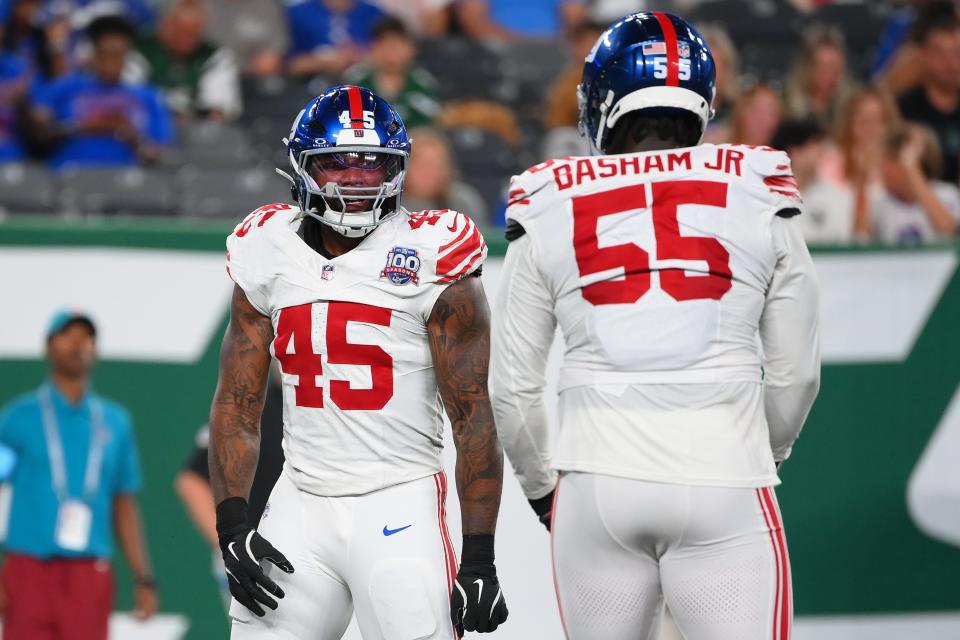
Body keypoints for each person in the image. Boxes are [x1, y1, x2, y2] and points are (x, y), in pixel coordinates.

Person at [490, 12, 820, 640]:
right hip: (722, 471)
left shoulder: (548, 196)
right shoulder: (754, 184)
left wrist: (542, 493)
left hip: (595, 483)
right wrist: (759, 449)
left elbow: (512, 389)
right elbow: (796, 374)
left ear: (604, 103)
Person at [209, 85, 509, 639]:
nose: (354, 180)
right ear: (303, 167)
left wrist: (480, 557)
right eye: (337, 164)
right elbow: (239, 400)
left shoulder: (431, 252)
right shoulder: (267, 245)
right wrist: (231, 521)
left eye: (372, 166)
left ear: (397, 170)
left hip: (400, 500)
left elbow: (472, 415)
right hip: (300, 502)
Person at [0, 310, 158, 640]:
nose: (77, 344)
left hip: (89, 574)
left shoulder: (115, 423)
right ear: (48, 345)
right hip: (27, 569)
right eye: (67, 334)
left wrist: (144, 577)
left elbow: (124, 505)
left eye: (86, 337)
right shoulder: (18, 419)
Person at [175, 372, 284, 608]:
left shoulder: (336, 409)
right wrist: (230, 541)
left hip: (322, 550)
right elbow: (192, 480)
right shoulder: (251, 405)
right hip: (258, 558)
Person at [28, 14, 173, 169]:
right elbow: (37, 131)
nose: (111, 62)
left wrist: (134, 137)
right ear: (94, 54)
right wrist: (86, 126)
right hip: (69, 175)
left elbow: (163, 153)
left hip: (127, 182)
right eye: (105, 54)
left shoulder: (148, 97)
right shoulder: (65, 87)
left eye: (117, 54)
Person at [126, 0, 242, 120]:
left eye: (193, 33)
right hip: (149, 125)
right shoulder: (141, 51)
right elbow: (129, 97)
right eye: (182, 32)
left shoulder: (213, 56)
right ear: (166, 26)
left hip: (195, 129)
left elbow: (218, 110)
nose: (188, 40)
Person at [897, 5, 960, 183]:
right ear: (924, 55)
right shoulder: (905, 109)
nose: (950, 63)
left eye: (957, 53)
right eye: (940, 53)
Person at [344, 17, 440, 129]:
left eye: (396, 47)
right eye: (384, 46)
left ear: (411, 49)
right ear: (372, 49)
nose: (391, 54)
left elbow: (435, 119)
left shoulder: (423, 82)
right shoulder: (354, 81)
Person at [832, 86, 902, 239]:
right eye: (863, 121)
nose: (871, 129)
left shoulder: (900, 164)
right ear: (848, 124)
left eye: (878, 121)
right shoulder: (831, 160)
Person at [872, 124, 960, 244]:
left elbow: (949, 230)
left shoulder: (946, 193)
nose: (883, 168)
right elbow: (859, 244)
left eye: (890, 160)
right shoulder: (879, 202)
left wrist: (911, 167)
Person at [772, 118, 853, 244]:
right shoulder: (767, 198)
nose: (821, 151)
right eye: (813, 144)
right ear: (794, 152)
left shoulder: (836, 195)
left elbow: (843, 240)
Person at [402, 126, 488, 224]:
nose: (427, 172)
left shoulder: (463, 202)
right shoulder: (387, 203)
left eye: (435, 165)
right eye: (420, 164)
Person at [284, 0, 385, 78]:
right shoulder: (298, 13)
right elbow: (288, 64)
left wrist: (359, 57)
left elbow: (389, 56)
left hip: (363, 89)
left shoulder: (373, 13)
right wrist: (322, 62)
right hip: (309, 89)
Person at [783, 24, 856, 127]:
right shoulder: (788, 106)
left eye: (834, 66)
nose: (828, 73)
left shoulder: (852, 107)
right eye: (822, 66)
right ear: (808, 67)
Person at [457, 0, 587, 41]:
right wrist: (516, 42)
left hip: (552, 48)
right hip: (496, 48)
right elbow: (472, 18)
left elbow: (575, 17)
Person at [728, 82, 782, 147]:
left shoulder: (782, 155)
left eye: (772, 113)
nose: (765, 120)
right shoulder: (718, 149)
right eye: (757, 111)